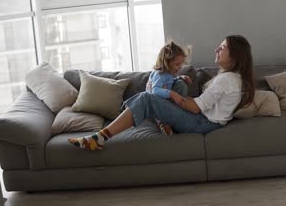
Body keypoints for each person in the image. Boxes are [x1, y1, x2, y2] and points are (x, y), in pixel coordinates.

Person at [68, 35, 255, 151]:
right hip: (205, 120)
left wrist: (168, 97)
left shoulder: (226, 80)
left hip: (202, 123)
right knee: (157, 95)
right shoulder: (232, 78)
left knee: (147, 98)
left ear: (234, 56)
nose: (217, 49)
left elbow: (197, 107)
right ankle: (159, 118)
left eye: (222, 47)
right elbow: (199, 102)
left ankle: (98, 138)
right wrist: (171, 93)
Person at [145, 41, 192, 135]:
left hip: (164, 100)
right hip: (153, 104)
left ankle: (179, 112)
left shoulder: (169, 73)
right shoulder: (159, 74)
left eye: (181, 64)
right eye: (177, 64)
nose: (180, 67)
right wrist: (172, 94)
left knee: (181, 83)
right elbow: (155, 90)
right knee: (162, 114)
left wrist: (180, 77)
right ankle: (162, 122)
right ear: (166, 62)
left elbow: (169, 83)